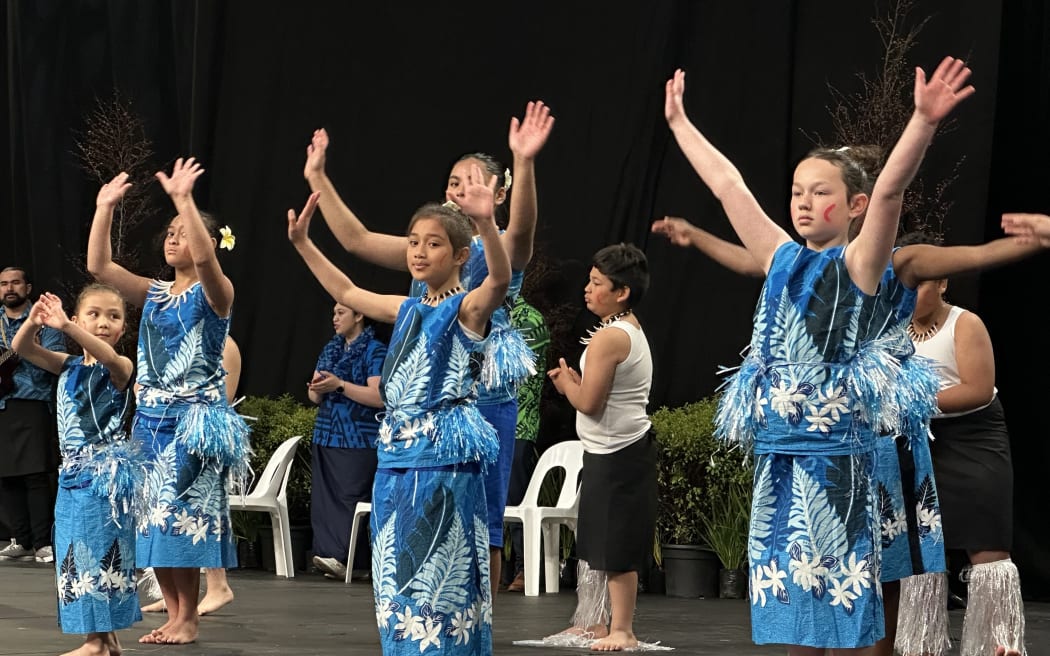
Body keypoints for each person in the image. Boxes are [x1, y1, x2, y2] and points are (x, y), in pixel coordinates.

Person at [660, 58, 973, 653]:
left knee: (843, 587)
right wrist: (679, 125)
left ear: (852, 206)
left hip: (837, 455)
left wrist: (923, 122)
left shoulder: (857, 264)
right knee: (791, 588)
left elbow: (890, 191)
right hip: (781, 450)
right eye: (797, 192)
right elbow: (729, 186)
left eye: (819, 193)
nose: (803, 203)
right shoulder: (780, 257)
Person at [650, 221, 1046, 655]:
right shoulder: (831, 271)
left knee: (890, 561)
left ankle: (938, 646)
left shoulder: (903, 272)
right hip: (850, 443)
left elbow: (974, 257)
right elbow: (757, 261)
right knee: (816, 559)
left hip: (912, 443)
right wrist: (699, 237)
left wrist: (1025, 243)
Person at [302, 101, 554, 597]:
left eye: (474, 182)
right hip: (419, 402)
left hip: (475, 395)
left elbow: (520, 234)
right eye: (454, 183)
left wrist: (522, 163)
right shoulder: (426, 250)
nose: (460, 191)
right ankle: (419, 605)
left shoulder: (494, 247)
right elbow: (354, 241)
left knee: (482, 515)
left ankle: (473, 616)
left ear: (498, 193)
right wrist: (318, 177)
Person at [288, 155, 508, 654]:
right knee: (398, 588)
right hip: (394, 465)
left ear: (459, 256)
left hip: (443, 466)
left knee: (441, 589)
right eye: (413, 242)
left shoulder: (466, 309)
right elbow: (346, 289)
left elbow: (497, 279)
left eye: (433, 244)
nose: (418, 252)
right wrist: (303, 244)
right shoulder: (406, 308)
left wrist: (487, 224)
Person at [86, 164, 250, 645]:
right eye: (170, 234)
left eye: (184, 233)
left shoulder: (215, 295)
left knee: (182, 522)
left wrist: (184, 202)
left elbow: (205, 261)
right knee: (153, 522)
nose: (174, 239)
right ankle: (177, 612)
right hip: (151, 422)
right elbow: (101, 267)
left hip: (192, 423)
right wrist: (103, 208)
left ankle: (190, 617)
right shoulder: (155, 294)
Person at [902, 242, 1027, 656]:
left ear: (941, 282)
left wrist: (910, 401)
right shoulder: (892, 331)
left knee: (986, 544)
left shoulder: (965, 323)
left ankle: (997, 646)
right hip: (918, 441)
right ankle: (920, 645)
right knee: (922, 548)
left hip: (974, 439)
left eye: (918, 284)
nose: (908, 293)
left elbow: (976, 389)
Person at [11, 286, 139, 656]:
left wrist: (67, 325)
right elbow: (22, 348)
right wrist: (34, 321)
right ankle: (108, 640)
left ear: (122, 329)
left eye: (113, 317)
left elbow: (107, 356)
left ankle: (95, 642)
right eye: (94, 315)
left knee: (95, 552)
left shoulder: (120, 366)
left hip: (102, 478)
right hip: (72, 478)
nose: (103, 323)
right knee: (74, 552)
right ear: (81, 318)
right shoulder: (66, 365)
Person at [544, 244, 654, 652]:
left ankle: (622, 629)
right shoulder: (619, 329)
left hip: (620, 453)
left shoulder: (611, 336)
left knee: (616, 543)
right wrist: (575, 380)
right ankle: (597, 621)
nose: (587, 290)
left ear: (621, 292)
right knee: (599, 540)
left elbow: (589, 403)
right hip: (608, 451)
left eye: (596, 283)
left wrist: (566, 384)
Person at [306, 302, 387, 581]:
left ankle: (348, 560)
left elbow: (379, 397)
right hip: (327, 433)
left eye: (341, 313)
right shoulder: (331, 350)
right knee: (325, 501)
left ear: (360, 314)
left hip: (359, 437)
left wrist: (339, 385)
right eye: (333, 313)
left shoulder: (375, 350)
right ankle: (330, 555)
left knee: (349, 500)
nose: (334, 318)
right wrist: (318, 388)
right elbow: (314, 398)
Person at [0, 266, 64, 564]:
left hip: (34, 402)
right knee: (7, 476)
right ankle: (20, 539)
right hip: (2, 404)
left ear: (28, 287)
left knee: (36, 475)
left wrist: (20, 350)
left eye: (15, 283)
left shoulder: (44, 321)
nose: (9, 288)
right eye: (3, 284)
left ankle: (42, 542)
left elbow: (54, 361)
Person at [502, 293, 550, 593]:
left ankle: (525, 568)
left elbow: (515, 372)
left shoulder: (528, 319)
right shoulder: (482, 312)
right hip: (485, 424)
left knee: (517, 499)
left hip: (518, 424)